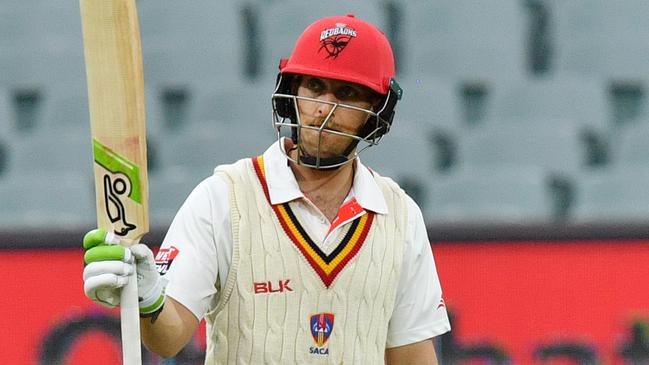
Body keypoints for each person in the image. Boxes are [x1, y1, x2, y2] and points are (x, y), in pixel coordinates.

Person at [82, 14, 451, 364]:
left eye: (347, 94)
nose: (325, 108)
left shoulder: (400, 215)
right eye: (315, 87)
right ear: (291, 92)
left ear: (377, 112)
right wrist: (147, 297)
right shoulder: (224, 197)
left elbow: (413, 357)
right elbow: (167, 338)